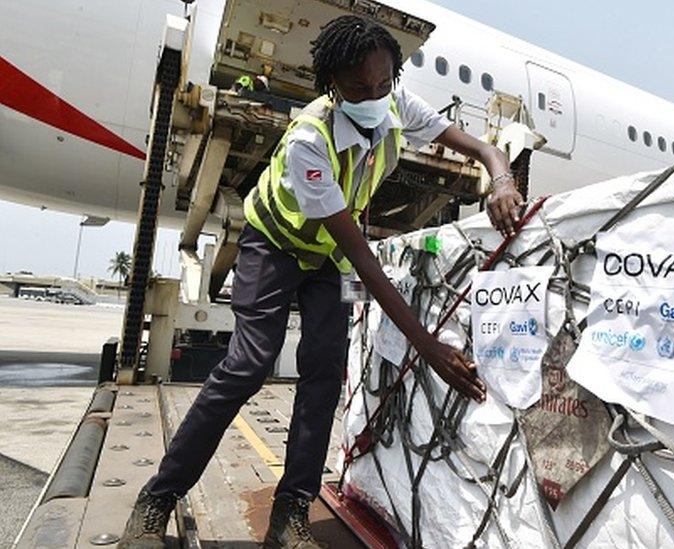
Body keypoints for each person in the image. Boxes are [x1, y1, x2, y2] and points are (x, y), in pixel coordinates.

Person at [117, 15, 524, 549]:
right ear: (332, 84)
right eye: (360, 88)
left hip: (329, 258)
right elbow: (360, 250)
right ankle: (157, 499)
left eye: (384, 84)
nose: (375, 96)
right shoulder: (310, 139)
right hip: (277, 244)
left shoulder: (397, 108)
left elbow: (483, 149)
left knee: (325, 372)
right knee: (249, 364)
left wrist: (500, 177)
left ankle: (290, 514)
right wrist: (427, 346)